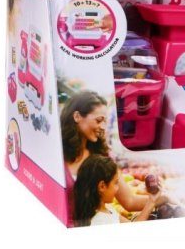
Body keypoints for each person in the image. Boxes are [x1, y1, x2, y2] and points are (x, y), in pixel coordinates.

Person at [60, 90, 157, 221]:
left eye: (105, 121)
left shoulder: (102, 156)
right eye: (99, 120)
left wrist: (163, 198)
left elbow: (130, 201)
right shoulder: (57, 156)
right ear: (77, 116)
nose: (103, 127)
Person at [73, 155, 158, 226]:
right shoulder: (100, 222)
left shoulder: (107, 208)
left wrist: (151, 201)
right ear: (102, 186)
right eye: (116, 183)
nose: (118, 188)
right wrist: (151, 202)